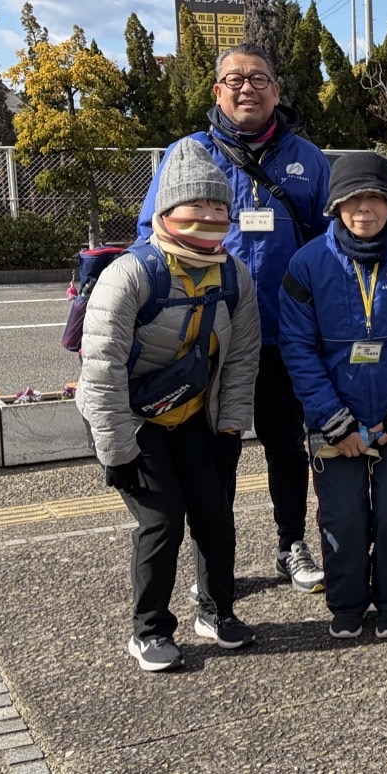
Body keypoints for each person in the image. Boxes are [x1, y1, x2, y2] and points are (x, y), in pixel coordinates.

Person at [137, 43, 329, 599]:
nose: (248, 88)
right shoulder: (189, 153)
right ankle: (214, 563)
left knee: (285, 443)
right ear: (217, 90)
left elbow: (329, 245)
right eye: (236, 79)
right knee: (211, 451)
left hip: (283, 332)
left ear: (277, 90)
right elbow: (150, 234)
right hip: (204, 336)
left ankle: (291, 543)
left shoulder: (307, 158)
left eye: (259, 78)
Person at [78, 139, 262, 671]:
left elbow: (242, 358)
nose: (209, 216)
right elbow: (101, 370)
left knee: (214, 514)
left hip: (194, 416)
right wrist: (118, 452)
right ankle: (150, 630)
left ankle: (217, 610)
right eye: (195, 205)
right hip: (133, 420)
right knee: (162, 521)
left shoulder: (235, 275)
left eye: (218, 206)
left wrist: (231, 430)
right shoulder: (131, 274)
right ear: (165, 212)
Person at [278, 153, 387, 640]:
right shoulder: (307, 264)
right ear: (335, 206)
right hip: (335, 422)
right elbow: (298, 350)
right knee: (344, 515)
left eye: (375, 198)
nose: (364, 209)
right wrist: (334, 422)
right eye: (352, 200)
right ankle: (347, 601)